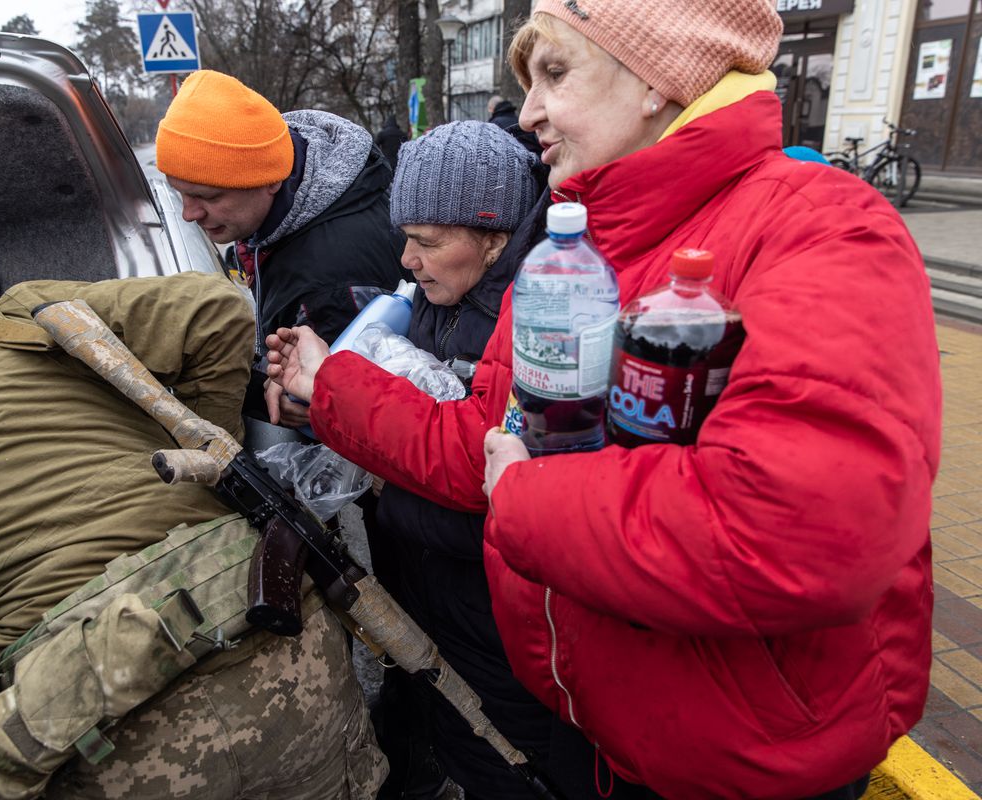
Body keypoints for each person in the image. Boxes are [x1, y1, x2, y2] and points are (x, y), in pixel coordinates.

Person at [264, 0, 940, 798]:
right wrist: (332, 386)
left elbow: (801, 528)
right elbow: (485, 439)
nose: (533, 110)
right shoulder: (575, 251)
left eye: (555, 72)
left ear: (658, 76)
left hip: (746, 764)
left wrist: (526, 499)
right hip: (602, 730)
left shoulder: (821, 228)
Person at [0, 274, 385, 799]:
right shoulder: (5, 324)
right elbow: (218, 308)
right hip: (269, 628)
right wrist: (217, 468)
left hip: (99, 726)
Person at [276, 120, 550, 800]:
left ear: (492, 237)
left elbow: (496, 487)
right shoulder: (434, 303)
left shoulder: (536, 328)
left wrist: (380, 478)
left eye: (427, 242)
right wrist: (319, 408)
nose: (405, 258)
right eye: (407, 238)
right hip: (436, 604)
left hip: (500, 628)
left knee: (509, 760)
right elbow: (413, 428)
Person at [155, 70, 406, 430]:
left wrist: (259, 391)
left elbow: (338, 414)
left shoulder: (328, 278)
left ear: (269, 179)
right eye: (179, 192)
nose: (188, 213)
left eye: (207, 196)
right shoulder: (298, 183)